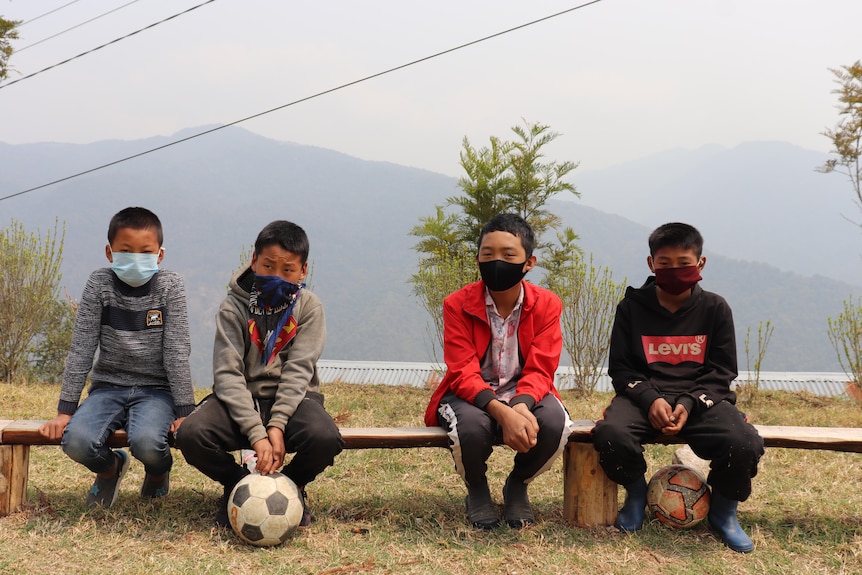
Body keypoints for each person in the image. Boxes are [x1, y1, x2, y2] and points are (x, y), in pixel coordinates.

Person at [592, 222, 765, 553]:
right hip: (643, 397)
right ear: (651, 264)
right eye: (664, 264)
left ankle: (724, 512)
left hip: (702, 400)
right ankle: (637, 493)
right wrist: (649, 399)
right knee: (611, 433)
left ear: (700, 264)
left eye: (684, 263)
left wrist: (688, 402)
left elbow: (722, 371)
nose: (674, 271)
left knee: (744, 442)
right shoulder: (631, 308)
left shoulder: (715, 308)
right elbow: (621, 368)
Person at [175, 220, 343, 528]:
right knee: (190, 434)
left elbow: (298, 371)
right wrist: (257, 433)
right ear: (253, 262)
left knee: (325, 437)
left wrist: (276, 425)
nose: (277, 276)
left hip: (295, 400)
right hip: (242, 399)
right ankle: (238, 485)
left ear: (303, 271)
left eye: (288, 270)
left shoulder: (308, 307)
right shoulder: (233, 307)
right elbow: (228, 374)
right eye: (268, 266)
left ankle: (290, 486)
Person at [424, 213, 574, 530]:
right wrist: (502, 413)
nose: (496, 262)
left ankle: (518, 484)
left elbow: (542, 367)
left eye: (508, 255)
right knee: (472, 428)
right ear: (477, 258)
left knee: (555, 425)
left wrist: (519, 406)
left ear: (529, 261)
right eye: (487, 254)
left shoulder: (547, 304)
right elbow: (462, 371)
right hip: (473, 394)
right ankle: (477, 488)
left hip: (526, 392)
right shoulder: (457, 304)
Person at [38, 206, 195, 508]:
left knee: (148, 444)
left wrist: (185, 410)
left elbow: (177, 350)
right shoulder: (99, 284)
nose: (136, 258)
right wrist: (64, 410)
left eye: (145, 251)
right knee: (77, 442)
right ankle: (111, 469)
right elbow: (82, 347)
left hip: (156, 391)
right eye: (126, 250)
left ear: (159, 255)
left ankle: (158, 473)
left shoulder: (170, 286)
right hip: (108, 388)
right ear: (110, 253)